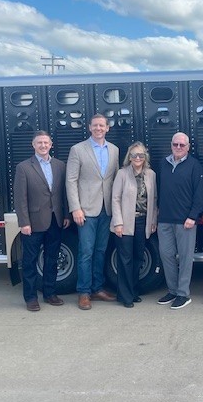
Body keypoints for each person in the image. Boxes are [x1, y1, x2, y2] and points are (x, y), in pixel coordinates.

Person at [66, 114, 119, 310]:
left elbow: (113, 179)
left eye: (102, 125)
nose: (98, 128)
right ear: (89, 127)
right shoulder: (78, 150)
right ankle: (84, 292)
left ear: (107, 128)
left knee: (100, 250)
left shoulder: (114, 150)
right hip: (86, 210)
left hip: (107, 209)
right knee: (86, 252)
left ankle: (97, 288)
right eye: (95, 125)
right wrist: (76, 208)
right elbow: (71, 180)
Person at [13, 131, 71, 311]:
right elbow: (20, 198)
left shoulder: (60, 165)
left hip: (56, 220)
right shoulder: (23, 167)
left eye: (46, 142)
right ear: (33, 145)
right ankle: (30, 298)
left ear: (51, 144)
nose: (43, 146)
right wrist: (24, 223)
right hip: (34, 222)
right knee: (29, 261)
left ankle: (50, 293)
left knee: (52, 259)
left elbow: (63, 193)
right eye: (39, 143)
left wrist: (67, 215)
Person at [156, 133, 203, 310]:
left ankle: (183, 294)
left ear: (188, 147)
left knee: (185, 258)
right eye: (175, 144)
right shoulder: (163, 164)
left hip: (185, 221)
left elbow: (199, 194)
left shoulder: (194, 166)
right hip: (165, 220)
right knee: (166, 255)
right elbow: (159, 190)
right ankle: (172, 290)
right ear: (171, 145)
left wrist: (192, 217)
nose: (178, 147)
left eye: (182, 145)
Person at [111, 142, 157, 308]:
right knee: (125, 260)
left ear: (145, 158)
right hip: (125, 223)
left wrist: (153, 221)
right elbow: (115, 199)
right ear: (129, 158)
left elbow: (154, 200)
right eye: (134, 155)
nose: (138, 158)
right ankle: (125, 296)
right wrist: (118, 222)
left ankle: (133, 291)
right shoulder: (122, 174)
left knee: (138, 258)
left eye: (141, 155)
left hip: (143, 222)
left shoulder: (151, 175)